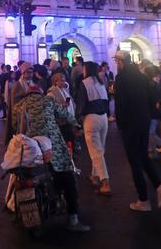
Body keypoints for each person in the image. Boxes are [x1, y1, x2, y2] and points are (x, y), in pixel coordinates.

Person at [18, 81, 90, 231]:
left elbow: (16, 126)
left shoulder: (20, 106)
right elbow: (66, 115)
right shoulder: (48, 101)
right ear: (40, 93)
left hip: (30, 148)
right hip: (53, 146)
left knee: (23, 175)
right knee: (67, 177)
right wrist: (76, 125)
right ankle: (73, 220)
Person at [114, 51, 161, 212]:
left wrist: (120, 124)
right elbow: (151, 100)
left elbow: (120, 104)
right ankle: (159, 186)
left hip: (130, 123)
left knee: (134, 161)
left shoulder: (121, 78)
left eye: (117, 61)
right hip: (144, 120)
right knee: (143, 155)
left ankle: (143, 199)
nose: (116, 64)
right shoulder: (142, 77)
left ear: (121, 62)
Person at [75, 60, 110, 195]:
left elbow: (81, 104)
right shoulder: (100, 82)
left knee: (96, 151)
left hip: (91, 119)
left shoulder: (85, 83)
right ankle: (95, 176)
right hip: (103, 118)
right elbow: (106, 101)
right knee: (100, 149)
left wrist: (77, 119)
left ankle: (105, 182)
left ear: (87, 70)